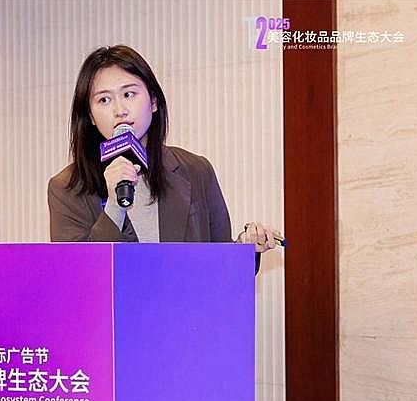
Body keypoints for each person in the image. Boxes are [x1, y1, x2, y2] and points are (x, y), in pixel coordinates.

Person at [47, 45, 281, 259]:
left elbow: (219, 264)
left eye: (129, 94)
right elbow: (77, 276)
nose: (119, 110)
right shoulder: (66, 188)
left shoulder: (196, 170)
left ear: (154, 101)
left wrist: (245, 248)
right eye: (104, 100)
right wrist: (115, 207)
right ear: (90, 116)